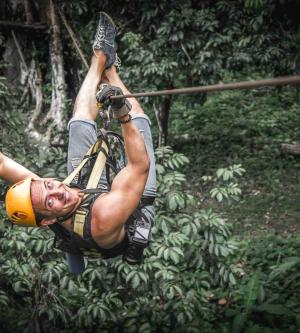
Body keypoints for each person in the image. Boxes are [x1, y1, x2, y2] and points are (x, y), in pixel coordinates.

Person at [0, 13, 156, 273]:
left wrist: (51, 195)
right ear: (49, 219)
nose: (57, 190)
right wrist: (122, 113)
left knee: (79, 123)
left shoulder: (44, 194)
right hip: (123, 207)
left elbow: (3, 163)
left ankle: (100, 59)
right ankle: (111, 72)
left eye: (48, 184)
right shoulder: (104, 218)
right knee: (139, 125)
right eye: (50, 202)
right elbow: (139, 165)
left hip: (85, 196)